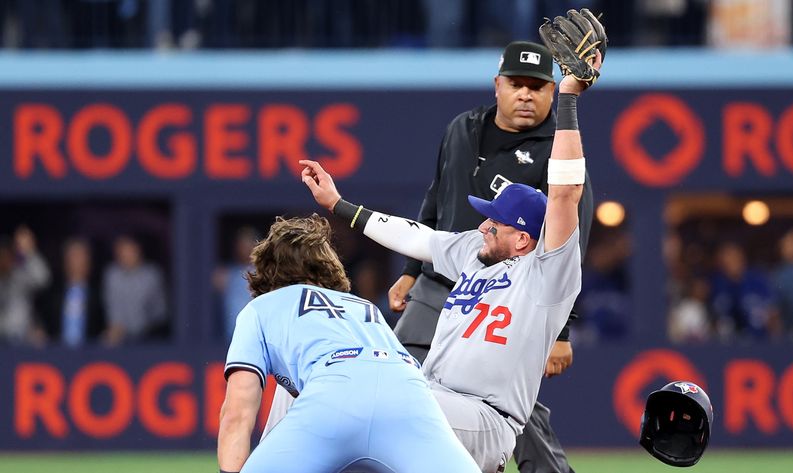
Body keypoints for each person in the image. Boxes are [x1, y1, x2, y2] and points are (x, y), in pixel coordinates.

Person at [298, 43, 595, 469]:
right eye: (516, 84)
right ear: (497, 86)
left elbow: (566, 194)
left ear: (525, 240)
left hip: (483, 418)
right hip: (440, 402)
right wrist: (338, 204)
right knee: (358, 399)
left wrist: (569, 98)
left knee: (386, 402)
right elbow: (414, 234)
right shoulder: (474, 251)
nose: (483, 226)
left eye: (495, 221)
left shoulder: (545, 278)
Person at [388, 40, 593, 473]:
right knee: (398, 377)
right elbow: (435, 196)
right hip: (439, 282)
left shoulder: (555, 148)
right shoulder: (461, 128)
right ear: (496, 85)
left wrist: (563, 329)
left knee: (507, 404)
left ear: (552, 94)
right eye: (516, 84)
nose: (525, 94)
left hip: (505, 294)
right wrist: (411, 271)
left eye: (537, 87)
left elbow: (572, 242)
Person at [218, 215, 480, 473]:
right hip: (409, 396)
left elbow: (237, 412)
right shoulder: (364, 306)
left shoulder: (261, 308)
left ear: (265, 272)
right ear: (328, 266)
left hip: (333, 395)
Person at [33, 237, 104, 347]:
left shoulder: (100, 293)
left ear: (89, 261)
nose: (77, 262)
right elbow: (41, 321)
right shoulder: (51, 293)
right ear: (65, 261)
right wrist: (39, 331)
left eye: (81, 256)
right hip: (56, 352)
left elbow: (107, 326)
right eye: (73, 256)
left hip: (91, 354)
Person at [102, 235, 167, 345]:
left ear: (138, 251)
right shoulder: (112, 275)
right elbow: (112, 306)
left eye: (129, 251)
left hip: (149, 337)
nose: (126, 256)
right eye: (122, 252)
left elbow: (160, 312)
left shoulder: (152, 275)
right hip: (117, 339)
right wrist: (116, 328)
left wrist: (142, 329)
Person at [0, 226, 50, 345]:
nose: (3, 260)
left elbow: (43, 278)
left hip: (22, 340)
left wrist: (29, 252)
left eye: (6, 255)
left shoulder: (21, 275)